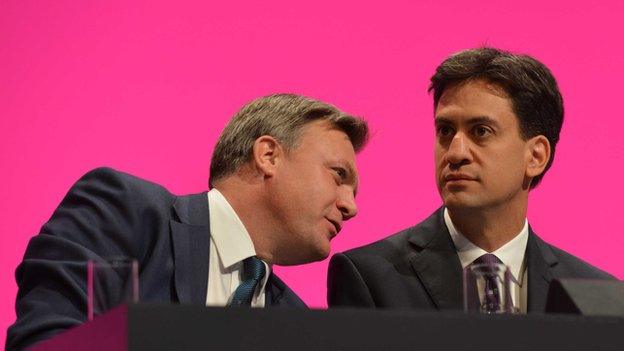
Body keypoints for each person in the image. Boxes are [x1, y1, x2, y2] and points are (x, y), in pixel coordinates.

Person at [7, 94, 369, 350]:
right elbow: (48, 340)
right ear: (269, 155)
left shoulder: (296, 322)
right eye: (339, 175)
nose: (350, 206)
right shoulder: (127, 214)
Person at [327, 47, 615, 312]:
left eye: (481, 131)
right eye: (445, 131)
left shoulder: (601, 297)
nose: (455, 153)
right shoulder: (369, 277)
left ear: (536, 156)